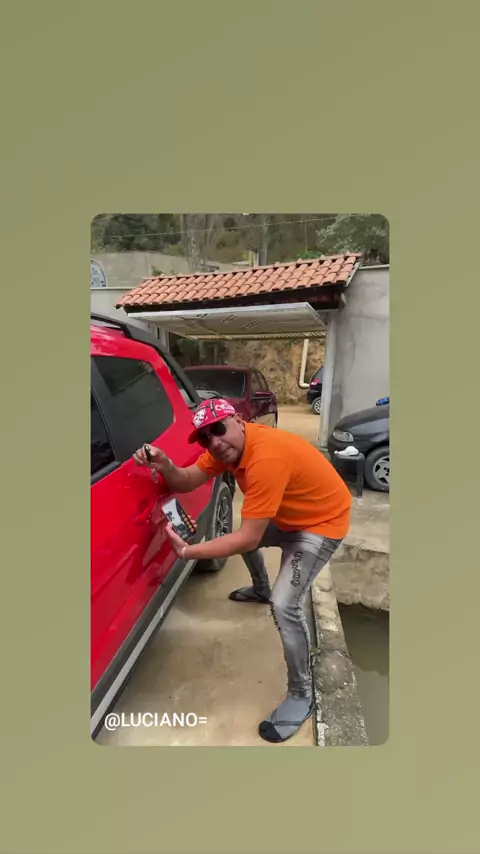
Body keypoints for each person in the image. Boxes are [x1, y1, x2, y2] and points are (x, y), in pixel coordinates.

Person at [133, 397, 352, 743]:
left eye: (219, 429)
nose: (214, 442)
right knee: (243, 534)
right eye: (205, 438)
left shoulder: (266, 457)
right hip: (289, 514)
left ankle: (301, 694)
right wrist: (165, 464)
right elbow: (187, 480)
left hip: (321, 524)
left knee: (285, 605)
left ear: (238, 420)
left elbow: (248, 539)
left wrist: (188, 551)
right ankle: (261, 587)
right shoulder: (226, 449)